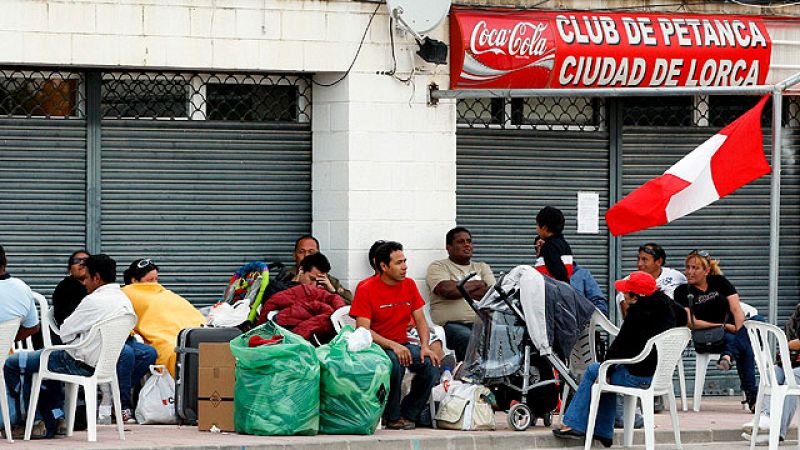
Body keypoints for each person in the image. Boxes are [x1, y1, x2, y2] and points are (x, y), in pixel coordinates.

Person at [4, 254, 136, 438]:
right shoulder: (124, 300)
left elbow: (64, 332)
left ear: (97, 278)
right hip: (104, 365)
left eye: (87, 278)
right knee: (40, 365)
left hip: (76, 362)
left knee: (14, 363)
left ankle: (31, 421)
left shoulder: (93, 301)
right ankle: (55, 416)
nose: (84, 283)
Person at [553, 271, 676, 447]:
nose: (623, 296)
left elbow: (618, 348)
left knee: (595, 371)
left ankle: (574, 424)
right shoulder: (668, 307)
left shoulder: (638, 312)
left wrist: (607, 370)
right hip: (658, 375)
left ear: (636, 296)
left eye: (626, 293)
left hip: (637, 376)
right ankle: (602, 432)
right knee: (606, 373)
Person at [350, 241, 441, 430]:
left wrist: (425, 346)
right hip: (376, 347)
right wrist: (393, 345)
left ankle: (409, 413)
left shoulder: (409, 285)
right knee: (395, 363)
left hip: (403, 343)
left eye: (405, 261)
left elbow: (421, 320)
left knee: (431, 363)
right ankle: (392, 416)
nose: (405, 266)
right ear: (383, 266)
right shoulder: (366, 288)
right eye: (399, 263)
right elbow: (363, 329)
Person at [673, 250, 758, 411]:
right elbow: (692, 322)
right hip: (708, 335)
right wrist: (723, 326)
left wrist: (738, 330)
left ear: (706, 271)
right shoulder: (682, 291)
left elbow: (736, 309)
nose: (689, 272)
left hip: (734, 330)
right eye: (688, 267)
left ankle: (728, 355)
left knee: (753, 325)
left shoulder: (719, 282)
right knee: (743, 343)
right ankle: (752, 396)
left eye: (695, 268)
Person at [122, 259, 205, 377]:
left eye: (156, 279)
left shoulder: (164, 293)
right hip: (163, 334)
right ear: (134, 280)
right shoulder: (128, 294)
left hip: (184, 329)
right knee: (173, 349)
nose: (155, 284)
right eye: (150, 280)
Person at [426, 227, 495, 361]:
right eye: (461, 242)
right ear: (449, 247)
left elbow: (492, 294)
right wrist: (479, 284)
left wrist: (460, 286)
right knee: (468, 338)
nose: (467, 245)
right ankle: (469, 376)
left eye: (469, 241)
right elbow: (446, 290)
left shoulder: (482, 267)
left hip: (482, 323)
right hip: (450, 325)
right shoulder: (439, 266)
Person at [0, 245, 46, 436]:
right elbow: (33, 327)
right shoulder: (21, 288)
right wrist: (7, 339)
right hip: (3, 358)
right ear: (5, 261)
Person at [740, 301, 800, 444]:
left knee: (792, 378)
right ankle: (765, 418)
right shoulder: (799, 310)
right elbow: (788, 335)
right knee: (771, 373)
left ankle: (777, 432)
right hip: (793, 361)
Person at [256, 253, 346, 344]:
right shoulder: (278, 288)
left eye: (318, 281)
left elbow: (343, 310)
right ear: (301, 270)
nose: (314, 284)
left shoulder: (322, 291)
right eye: (311, 279)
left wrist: (331, 289)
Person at [618, 243, 686, 319]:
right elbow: (628, 317)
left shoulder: (676, 276)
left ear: (659, 261)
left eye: (644, 259)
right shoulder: (628, 282)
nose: (639, 264)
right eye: (638, 259)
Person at [280, 235, 353, 303]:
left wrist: (332, 290)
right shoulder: (287, 275)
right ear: (294, 255)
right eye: (301, 252)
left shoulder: (327, 278)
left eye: (311, 252)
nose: (306, 255)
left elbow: (350, 302)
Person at [534, 206, 573, 282]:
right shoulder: (564, 244)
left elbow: (559, 272)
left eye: (537, 225)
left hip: (552, 290)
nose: (536, 228)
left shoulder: (549, 247)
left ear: (544, 227)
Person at [51, 250, 90, 327]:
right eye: (76, 261)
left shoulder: (98, 285)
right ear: (70, 269)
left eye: (86, 261)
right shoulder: (65, 287)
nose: (82, 263)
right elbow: (64, 317)